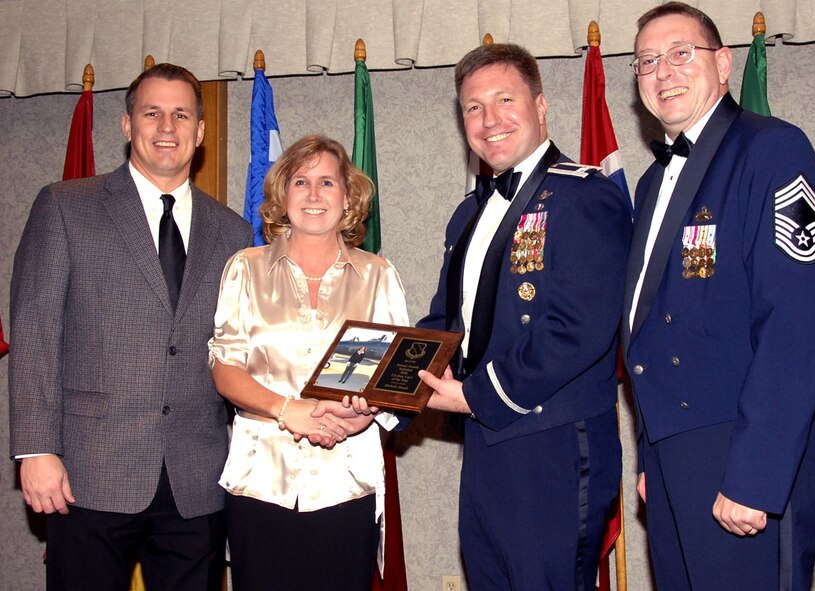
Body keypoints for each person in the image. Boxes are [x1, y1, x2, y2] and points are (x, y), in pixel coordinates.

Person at [8, 63, 252, 590]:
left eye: (181, 114)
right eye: (152, 112)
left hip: (197, 478)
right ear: (126, 125)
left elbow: (245, 345)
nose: (167, 126)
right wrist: (35, 449)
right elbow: (34, 333)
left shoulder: (233, 231)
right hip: (89, 472)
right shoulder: (66, 206)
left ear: (201, 131)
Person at [623, 3, 815, 589]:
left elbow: (794, 324)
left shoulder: (772, 150)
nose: (662, 71)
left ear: (724, 64)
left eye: (680, 53)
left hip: (745, 450)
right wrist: (652, 455)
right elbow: (648, 330)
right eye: (647, 61)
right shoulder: (649, 184)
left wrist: (756, 476)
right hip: (675, 458)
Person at [417, 43, 632, 589]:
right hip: (485, 443)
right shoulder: (468, 211)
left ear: (540, 106)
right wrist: (385, 389)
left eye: (504, 100)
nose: (489, 120)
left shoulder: (586, 196)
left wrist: (475, 396)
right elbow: (448, 319)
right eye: (473, 107)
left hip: (554, 443)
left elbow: (576, 329)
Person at [208, 134, 408, 591]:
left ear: (348, 197)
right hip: (260, 481)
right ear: (282, 195)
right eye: (301, 181)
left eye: (327, 182)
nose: (314, 195)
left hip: (346, 479)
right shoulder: (245, 267)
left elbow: (394, 379)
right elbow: (224, 368)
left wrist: (360, 418)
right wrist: (287, 409)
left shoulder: (379, 275)